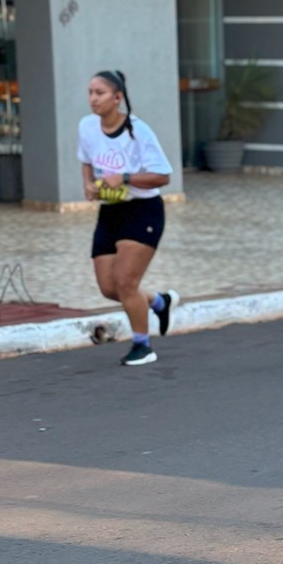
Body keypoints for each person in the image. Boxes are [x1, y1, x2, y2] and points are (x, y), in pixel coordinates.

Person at [78, 70, 178, 367]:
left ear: (117, 98)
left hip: (143, 211)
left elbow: (163, 176)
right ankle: (160, 303)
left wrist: (123, 177)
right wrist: (88, 184)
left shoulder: (139, 131)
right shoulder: (86, 127)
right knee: (109, 288)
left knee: (126, 282)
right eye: (90, 92)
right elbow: (85, 159)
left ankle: (143, 346)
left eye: (100, 93)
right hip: (110, 212)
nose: (93, 99)